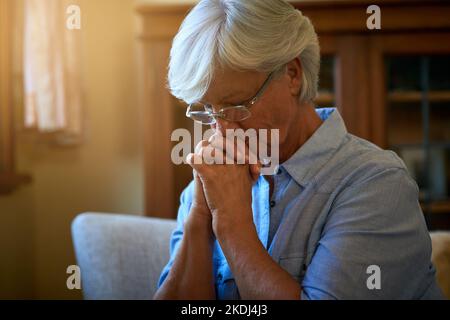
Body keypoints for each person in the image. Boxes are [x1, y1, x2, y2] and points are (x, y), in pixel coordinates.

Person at [153, 0, 444, 299]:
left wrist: (231, 221)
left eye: (236, 106)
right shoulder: (210, 183)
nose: (221, 131)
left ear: (292, 74)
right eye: (209, 111)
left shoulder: (378, 185)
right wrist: (202, 215)